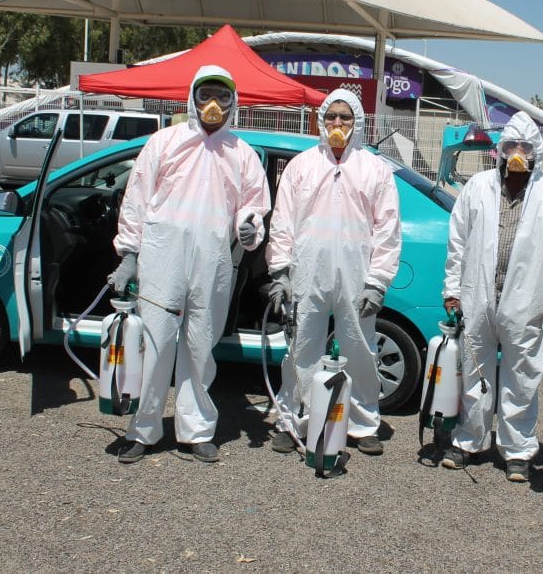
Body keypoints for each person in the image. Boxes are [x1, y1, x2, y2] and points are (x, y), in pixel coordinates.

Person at [108, 65, 271, 464]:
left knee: (200, 347)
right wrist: (129, 254)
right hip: (162, 258)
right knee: (157, 343)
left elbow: (253, 205)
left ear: (234, 102)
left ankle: (196, 429)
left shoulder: (242, 153)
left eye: (223, 96)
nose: (213, 105)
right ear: (192, 97)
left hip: (214, 264)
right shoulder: (164, 143)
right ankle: (143, 430)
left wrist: (251, 229)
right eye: (206, 95)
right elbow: (136, 199)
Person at [266, 89, 401, 456]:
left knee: (359, 349)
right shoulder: (302, 166)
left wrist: (377, 281)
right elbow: (282, 224)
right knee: (300, 349)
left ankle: (362, 423)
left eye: (345, 118)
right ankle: (294, 421)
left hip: (357, 275)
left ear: (356, 122)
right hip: (307, 273)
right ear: (321, 121)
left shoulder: (374, 169)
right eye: (332, 117)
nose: (338, 124)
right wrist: (280, 272)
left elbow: (387, 230)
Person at [441, 112, 543, 482]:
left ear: (537, 152)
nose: (518, 152)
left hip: (527, 302)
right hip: (477, 296)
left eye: (526, 147)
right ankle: (469, 440)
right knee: (475, 370)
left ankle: (517, 449)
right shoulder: (477, 187)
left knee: (523, 376)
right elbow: (457, 243)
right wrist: (452, 289)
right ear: (500, 150)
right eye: (512, 146)